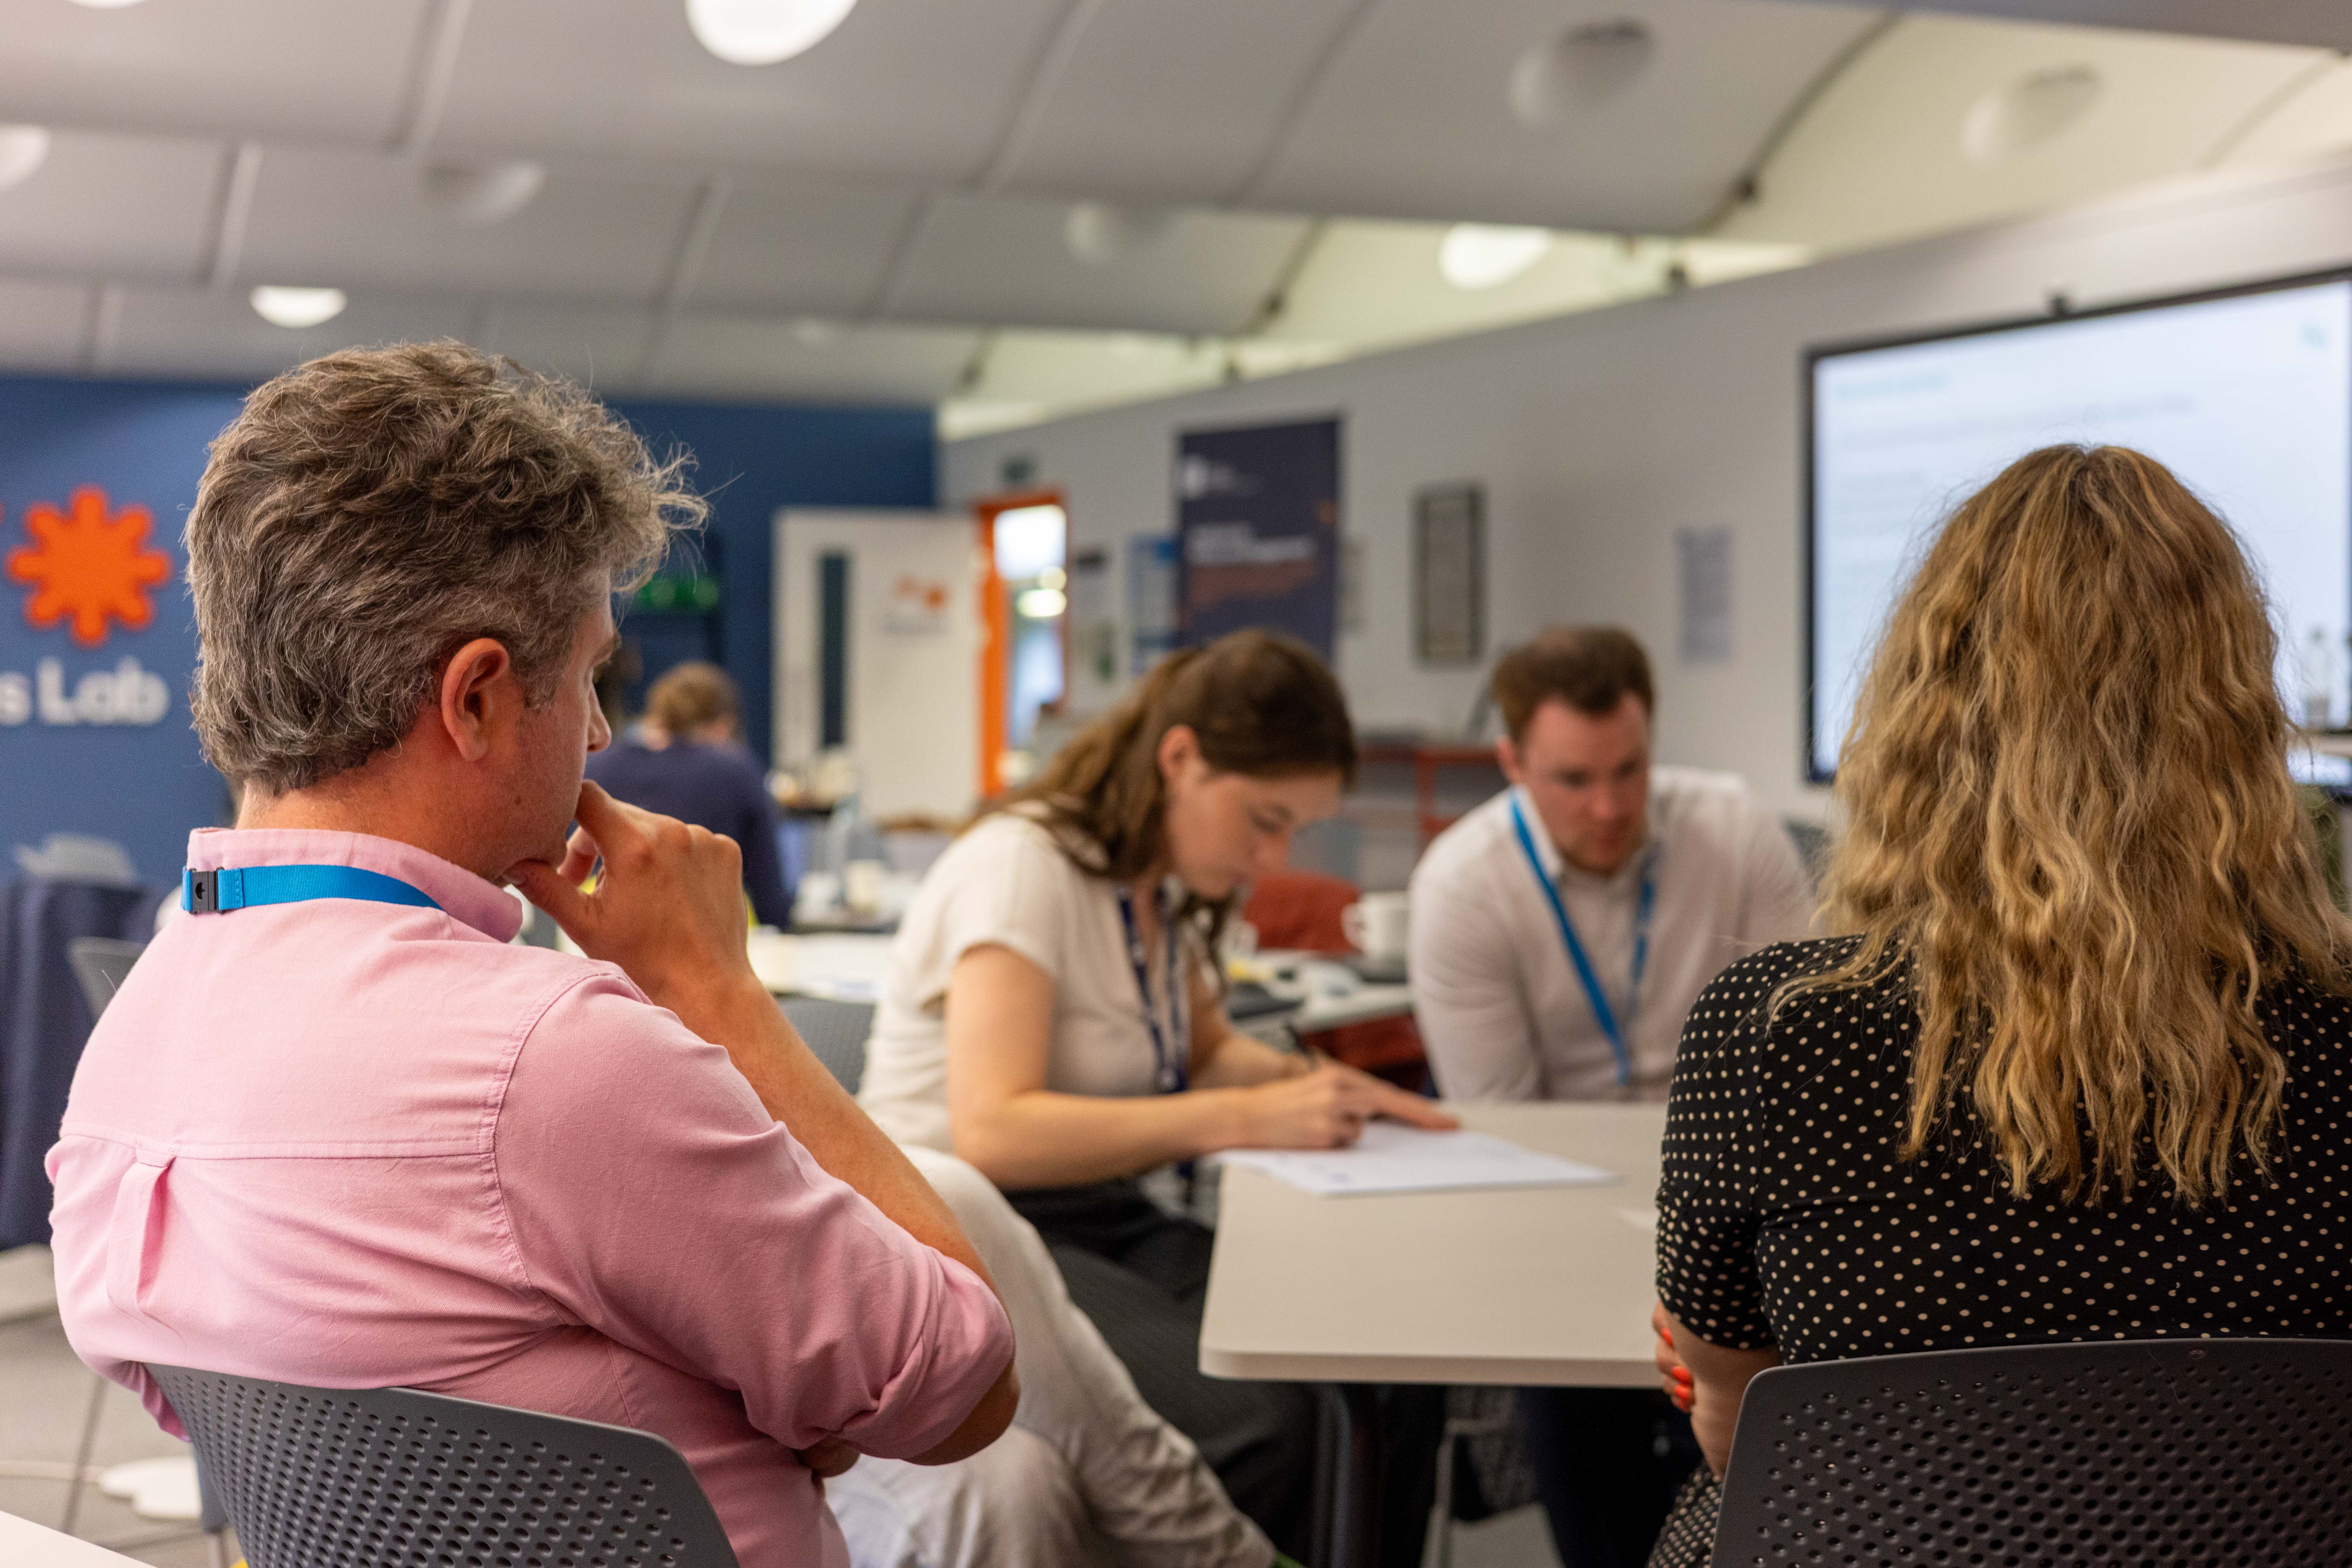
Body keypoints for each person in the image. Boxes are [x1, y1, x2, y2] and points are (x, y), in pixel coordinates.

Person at [43, 343, 1018, 1568]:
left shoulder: (132, 1042)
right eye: (591, 678)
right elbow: (962, 1391)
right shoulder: (558, 1061)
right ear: (478, 700)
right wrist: (718, 992)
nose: (602, 733)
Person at [1648, 444, 2352, 1567]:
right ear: (2240, 717)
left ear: (1925, 713)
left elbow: (1732, 1423)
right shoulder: (2335, 1029)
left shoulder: (1778, 1034)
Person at [858, 630, 1457, 1562]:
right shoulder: (1024, 866)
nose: (1275, 856)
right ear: (1180, 760)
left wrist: (1330, 1089)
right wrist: (1251, 1114)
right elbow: (995, 1129)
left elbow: (1208, 1051)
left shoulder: (1152, 886)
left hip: (1105, 1217)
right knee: (1262, 1427)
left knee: (1396, 1370)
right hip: (979, 1234)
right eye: (1265, 821)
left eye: (1294, 829)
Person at [1406, 625, 1813, 1568]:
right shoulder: (1463, 890)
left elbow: (1797, 1053)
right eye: (1573, 779)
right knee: (1572, 1396)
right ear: (1511, 762)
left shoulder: (1733, 829)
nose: (1609, 806)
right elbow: (1508, 1125)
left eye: (1629, 770)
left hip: (1731, 1188)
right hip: (1553, 1197)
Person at [589, 659, 793, 927]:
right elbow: (769, 895)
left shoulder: (598, 765)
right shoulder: (736, 770)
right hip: (703, 935)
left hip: (600, 930)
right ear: (725, 724)